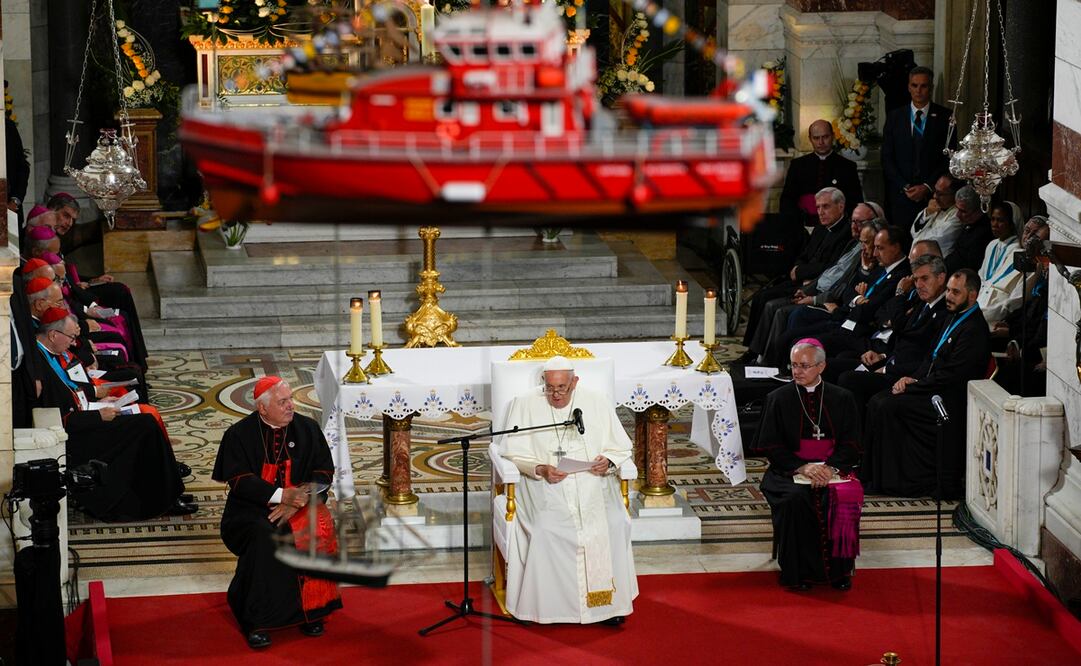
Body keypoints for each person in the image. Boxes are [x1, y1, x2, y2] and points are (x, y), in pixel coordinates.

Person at [499, 355, 637, 624]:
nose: (555, 394)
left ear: (575, 382)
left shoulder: (596, 401)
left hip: (592, 483)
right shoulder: (525, 404)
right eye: (550, 388)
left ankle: (608, 607)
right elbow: (511, 452)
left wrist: (607, 461)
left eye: (562, 388)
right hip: (545, 485)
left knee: (614, 522)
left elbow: (621, 446)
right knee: (547, 529)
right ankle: (545, 608)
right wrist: (540, 468)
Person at [25, 307, 193, 520]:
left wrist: (99, 402)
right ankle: (162, 499)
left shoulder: (52, 353)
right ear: (52, 335)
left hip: (86, 416)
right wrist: (98, 415)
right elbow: (56, 417)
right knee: (145, 425)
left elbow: (73, 392)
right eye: (71, 337)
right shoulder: (39, 364)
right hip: (76, 434)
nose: (73, 342)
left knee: (145, 422)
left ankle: (167, 493)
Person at [212, 376, 342, 649]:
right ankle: (256, 620)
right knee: (264, 536)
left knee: (314, 528)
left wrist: (296, 500)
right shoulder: (238, 435)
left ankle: (312, 611)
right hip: (250, 511)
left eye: (291, 399)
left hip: (302, 505)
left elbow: (323, 472)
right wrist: (282, 496)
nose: (290, 406)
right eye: (282, 402)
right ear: (262, 408)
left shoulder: (307, 428)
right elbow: (240, 480)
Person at [861, 269, 992, 499]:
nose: (948, 296)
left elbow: (951, 376)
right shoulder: (952, 316)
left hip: (949, 399)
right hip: (932, 388)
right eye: (949, 290)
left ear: (972, 295)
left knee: (888, 406)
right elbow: (929, 358)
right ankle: (874, 476)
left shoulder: (974, 329)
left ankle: (900, 481)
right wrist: (910, 378)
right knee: (877, 400)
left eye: (955, 292)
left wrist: (913, 387)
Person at [754, 339, 862, 591]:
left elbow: (852, 443)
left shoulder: (843, 397)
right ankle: (797, 572)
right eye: (793, 365)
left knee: (844, 495)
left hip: (834, 469)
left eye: (804, 366)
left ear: (821, 366)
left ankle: (840, 571)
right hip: (788, 470)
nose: (797, 372)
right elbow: (770, 445)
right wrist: (802, 467)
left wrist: (830, 468)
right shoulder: (777, 398)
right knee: (795, 500)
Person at [742, 204, 881, 364]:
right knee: (766, 299)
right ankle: (759, 356)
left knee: (785, 312)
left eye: (860, 222)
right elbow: (833, 276)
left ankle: (772, 363)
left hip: (838, 310)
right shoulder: (850, 243)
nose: (855, 227)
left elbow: (843, 287)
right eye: (853, 221)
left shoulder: (868, 258)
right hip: (818, 290)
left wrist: (817, 298)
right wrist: (808, 288)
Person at [836, 254, 950, 414]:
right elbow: (900, 333)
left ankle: (855, 436)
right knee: (837, 363)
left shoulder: (944, 312)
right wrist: (882, 356)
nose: (919, 285)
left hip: (903, 374)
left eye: (925, 278)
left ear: (941, 278)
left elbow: (924, 358)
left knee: (848, 379)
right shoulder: (922, 302)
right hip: (888, 360)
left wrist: (886, 369)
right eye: (916, 280)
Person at [741, 187, 854, 350]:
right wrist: (796, 268)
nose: (820, 212)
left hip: (817, 285)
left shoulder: (846, 233)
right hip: (801, 280)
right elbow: (804, 254)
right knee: (760, 297)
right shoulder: (820, 229)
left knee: (771, 305)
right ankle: (750, 349)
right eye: (818, 207)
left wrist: (801, 271)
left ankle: (762, 353)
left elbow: (832, 267)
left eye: (826, 207)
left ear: (841, 206)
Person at [881, 66, 953, 228]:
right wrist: (905, 186)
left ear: (931, 88)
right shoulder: (895, 117)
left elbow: (948, 157)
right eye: (914, 85)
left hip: (932, 197)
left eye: (923, 86)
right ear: (908, 87)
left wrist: (927, 186)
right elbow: (887, 158)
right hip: (901, 197)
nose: (918, 90)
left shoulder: (945, 117)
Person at [779, 120, 864, 226]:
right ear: (810, 139)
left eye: (825, 137)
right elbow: (787, 200)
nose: (821, 142)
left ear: (833, 136)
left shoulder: (847, 167)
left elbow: (855, 202)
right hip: (803, 225)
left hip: (837, 228)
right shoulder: (798, 165)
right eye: (816, 138)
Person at [975, 201, 1024, 328]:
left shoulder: (1018, 250)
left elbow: (1015, 290)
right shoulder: (992, 245)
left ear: (1012, 223)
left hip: (998, 307)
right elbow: (982, 277)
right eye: (993, 219)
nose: (994, 224)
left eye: (1000, 220)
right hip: (980, 299)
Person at [944, 186, 994, 275]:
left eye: (963, 211)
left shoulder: (983, 234)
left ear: (978, 210)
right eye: (957, 209)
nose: (957, 215)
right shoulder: (969, 225)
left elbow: (971, 269)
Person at [911, 174, 963, 255]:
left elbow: (932, 240)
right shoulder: (935, 207)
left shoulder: (958, 215)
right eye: (935, 191)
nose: (935, 196)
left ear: (954, 195)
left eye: (940, 194)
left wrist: (918, 236)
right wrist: (928, 212)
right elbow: (913, 232)